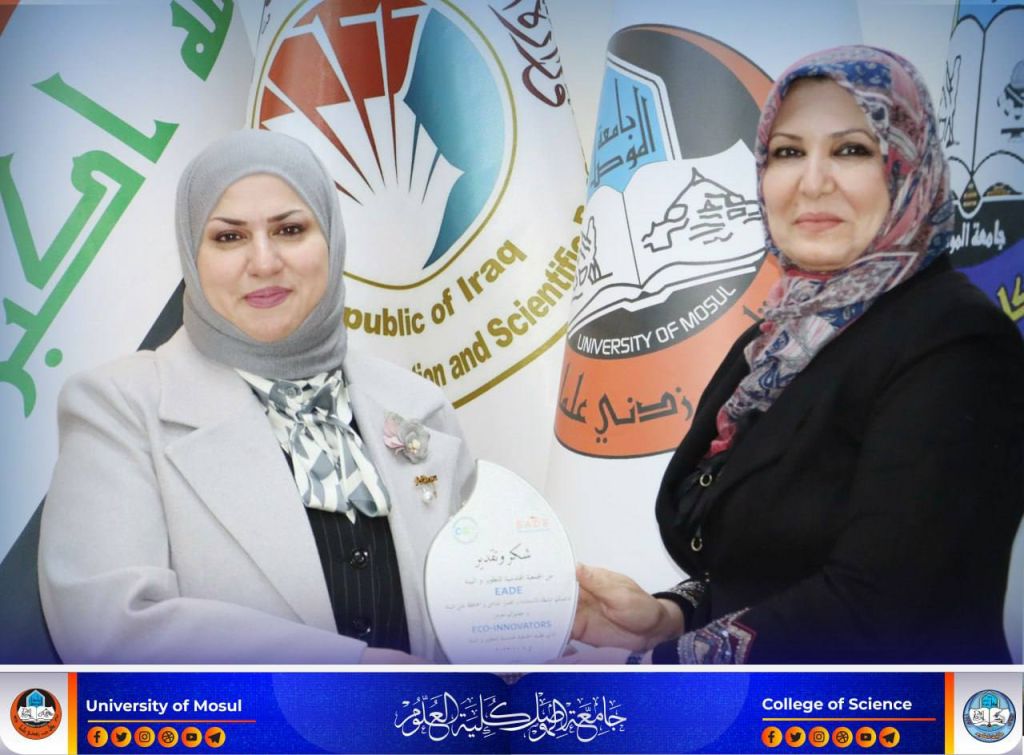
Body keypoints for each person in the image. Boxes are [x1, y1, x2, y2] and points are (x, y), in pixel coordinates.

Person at [569, 45, 1024, 664]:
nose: (812, 182)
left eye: (851, 150)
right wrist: (667, 619)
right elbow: (769, 569)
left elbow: (886, 604)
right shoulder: (780, 340)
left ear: (908, 163)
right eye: (787, 152)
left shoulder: (958, 342)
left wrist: (660, 670)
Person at [38, 129, 474, 663]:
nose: (264, 262)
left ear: (331, 237)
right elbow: (107, 632)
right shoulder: (118, 408)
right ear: (191, 252)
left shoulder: (418, 406)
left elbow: (474, 607)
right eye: (229, 237)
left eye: (290, 229)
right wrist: (353, 672)